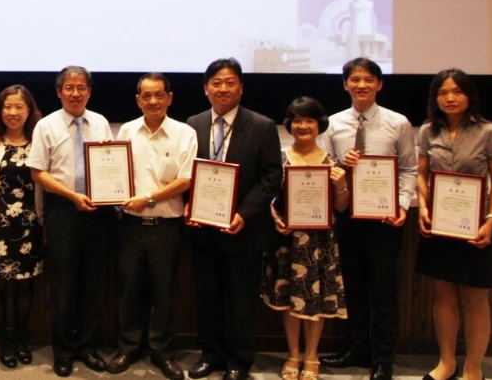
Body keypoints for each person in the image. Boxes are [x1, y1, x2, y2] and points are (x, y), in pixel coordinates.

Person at [318, 58, 416, 380]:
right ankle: (357, 349)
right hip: (347, 215)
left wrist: (402, 205)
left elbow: (409, 169)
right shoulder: (332, 124)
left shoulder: (398, 123)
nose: (362, 85)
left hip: (384, 220)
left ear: (379, 84)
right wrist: (340, 166)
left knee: (383, 290)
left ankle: (383, 358)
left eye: (368, 79)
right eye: (355, 79)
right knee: (354, 287)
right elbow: (324, 167)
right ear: (345, 84)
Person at [185, 58, 282, 380]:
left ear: (241, 88)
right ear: (206, 89)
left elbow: (271, 177)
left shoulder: (262, 126)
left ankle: (239, 361)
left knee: (240, 300)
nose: (223, 88)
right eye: (216, 83)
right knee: (207, 296)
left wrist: (244, 213)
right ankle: (210, 354)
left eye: (229, 82)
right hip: (203, 229)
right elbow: (186, 172)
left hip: (243, 230)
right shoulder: (193, 124)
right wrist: (189, 204)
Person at [416, 69, 492, 380]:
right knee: (442, 297)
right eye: (443, 93)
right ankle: (447, 362)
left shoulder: (489, 131)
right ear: (435, 98)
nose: (450, 98)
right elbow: (421, 174)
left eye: (457, 91)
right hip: (438, 225)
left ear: (469, 95)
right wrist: (423, 207)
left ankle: (473, 368)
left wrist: (491, 220)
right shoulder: (428, 131)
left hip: (475, 226)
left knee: (475, 300)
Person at [27, 65, 114, 378]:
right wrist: (72, 196)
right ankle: (63, 350)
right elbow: (38, 172)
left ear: (89, 92)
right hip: (63, 211)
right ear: (59, 92)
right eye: (69, 88)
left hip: (98, 212)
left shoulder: (100, 122)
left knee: (93, 283)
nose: (75, 93)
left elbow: (112, 164)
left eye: (81, 88)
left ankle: (86, 346)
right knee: (63, 285)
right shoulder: (46, 126)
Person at [106, 73, 195, 380]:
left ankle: (162, 352)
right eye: (146, 96)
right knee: (129, 289)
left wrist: (149, 198)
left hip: (166, 226)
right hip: (130, 226)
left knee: (164, 291)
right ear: (138, 100)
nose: (153, 101)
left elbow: (186, 179)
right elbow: (115, 172)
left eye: (159, 95)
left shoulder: (184, 133)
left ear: (170, 98)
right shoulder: (127, 130)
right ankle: (129, 347)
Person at [262, 97, 349, 380]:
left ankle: (311, 355)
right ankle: (293, 354)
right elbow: (268, 198)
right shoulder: (279, 159)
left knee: (317, 299)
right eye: (297, 120)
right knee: (291, 300)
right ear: (289, 124)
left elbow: (341, 207)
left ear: (319, 124)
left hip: (320, 243)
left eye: (309, 120)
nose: (303, 126)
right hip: (287, 240)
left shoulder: (330, 162)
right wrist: (275, 217)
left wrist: (342, 185)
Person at [0, 85, 43, 369]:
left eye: (19, 107)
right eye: (8, 106)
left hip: (30, 225)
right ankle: (4, 339)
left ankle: (21, 339)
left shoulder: (39, 140)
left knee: (26, 285)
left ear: (29, 111)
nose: (13, 112)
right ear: (0, 111)